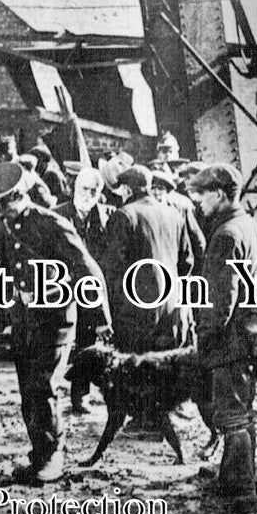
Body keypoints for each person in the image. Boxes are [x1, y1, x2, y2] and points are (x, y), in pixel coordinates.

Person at [0, 162, 111, 483]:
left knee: (43, 386)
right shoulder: (5, 227)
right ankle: (39, 455)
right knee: (29, 392)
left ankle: (53, 457)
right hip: (25, 320)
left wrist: (101, 321)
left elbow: (86, 270)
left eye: (3, 205)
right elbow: (1, 262)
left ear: (19, 196)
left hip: (55, 319)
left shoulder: (51, 223)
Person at [187, 164, 257, 514]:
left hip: (231, 338)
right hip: (253, 332)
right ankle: (232, 479)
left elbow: (220, 297)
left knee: (232, 415)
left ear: (220, 193)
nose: (199, 201)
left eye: (202, 194)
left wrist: (205, 336)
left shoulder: (225, 234)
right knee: (242, 410)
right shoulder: (251, 226)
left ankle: (241, 493)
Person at [101, 166, 194, 353]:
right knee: (164, 370)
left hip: (135, 313)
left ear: (127, 189)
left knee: (134, 372)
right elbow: (187, 262)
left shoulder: (124, 215)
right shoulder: (174, 215)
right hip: (170, 308)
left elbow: (112, 269)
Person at [55, 167, 114, 413]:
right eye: (84, 189)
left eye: (94, 190)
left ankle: (81, 396)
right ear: (74, 189)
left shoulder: (109, 216)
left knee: (89, 342)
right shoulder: (57, 215)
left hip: (95, 290)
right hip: (66, 288)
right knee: (63, 341)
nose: (88, 194)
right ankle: (57, 390)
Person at [151, 168, 206, 274]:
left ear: (167, 190)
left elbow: (197, 241)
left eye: (160, 188)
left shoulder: (180, 208)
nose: (156, 192)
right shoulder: (145, 211)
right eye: (153, 188)